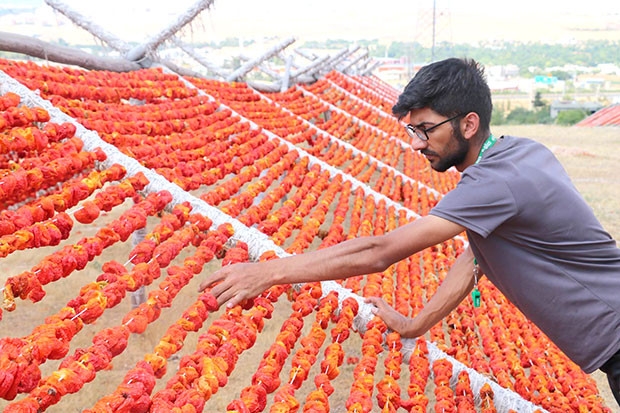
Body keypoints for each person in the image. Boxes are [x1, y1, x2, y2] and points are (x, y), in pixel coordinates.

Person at [199, 57, 620, 405]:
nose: (417, 144)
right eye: (412, 130)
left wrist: (268, 273)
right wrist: (417, 324)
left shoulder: (495, 181)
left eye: (426, 129)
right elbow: (476, 256)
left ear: (468, 124)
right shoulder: (521, 153)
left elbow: (380, 251)